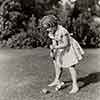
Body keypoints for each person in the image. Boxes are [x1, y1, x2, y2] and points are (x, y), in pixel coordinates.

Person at [40, 15, 84, 94]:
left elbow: (66, 44)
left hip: (69, 48)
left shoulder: (62, 31)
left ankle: (75, 86)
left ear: (53, 25)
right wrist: (52, 51)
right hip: (60, 47)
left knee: (71, 66)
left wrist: (55, 47)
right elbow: (54, 41)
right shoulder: (51, 32)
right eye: (45, 28)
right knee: (57, 63)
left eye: (48, 28)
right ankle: (57, 80)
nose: (47, 30)